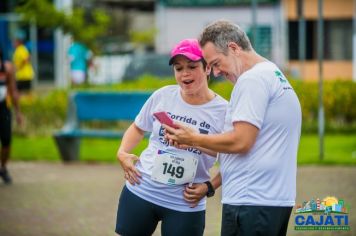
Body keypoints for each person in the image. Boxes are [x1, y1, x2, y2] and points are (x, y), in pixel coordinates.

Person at [165, 20, 302, 236]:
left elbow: (241, 142)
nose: (217, 73)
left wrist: (194, 139)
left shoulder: (252, 80)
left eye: (216, 63)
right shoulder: (272, 73)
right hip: (270, 200)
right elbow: (248, 147)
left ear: (234, 48)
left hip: (251, 201)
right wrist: (188, 140)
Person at [115, 38, 227, 236]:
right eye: (178, 68)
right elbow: (138, 128)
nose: (185, 74)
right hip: (142, 189)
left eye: (192, 67)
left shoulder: (224, 111)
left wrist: (210, 186)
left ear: (207, 68)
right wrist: (122, 153)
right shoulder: (163, 96)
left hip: (185, 202)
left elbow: (235, 156)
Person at [0, 48, 23, 184]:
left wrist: (18, 112)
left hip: (3, 108)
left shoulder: (7, 69)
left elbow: (13, 90)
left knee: (6, 141)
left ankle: (3, 167)